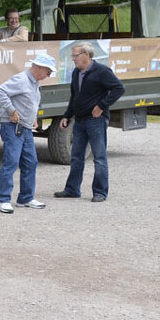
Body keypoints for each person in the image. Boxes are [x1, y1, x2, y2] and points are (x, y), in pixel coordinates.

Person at [54, 42, 126, 202]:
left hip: (96, 121)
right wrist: (67, 115)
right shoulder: (75, 73)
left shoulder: (101, 71)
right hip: (79, 121)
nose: (73, 59)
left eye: (75, 56)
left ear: (86, 55)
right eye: (72, 56)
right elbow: (74, 97)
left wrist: (102, 106)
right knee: (76, 156)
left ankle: (100, 192)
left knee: (99, 157)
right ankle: (72, 189)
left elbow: (119, 88)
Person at [0, 53, 58, 213]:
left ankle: (26, 198)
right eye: (48, 72)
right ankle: (3, 200)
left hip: (26, 128)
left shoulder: (35, 83)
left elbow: (30, 102)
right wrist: (11, 110)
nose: (49, 75)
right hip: (13, 127)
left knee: (31, 162)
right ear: (40, 67)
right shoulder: (22, 80)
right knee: (11, 162)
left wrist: (33, 118)